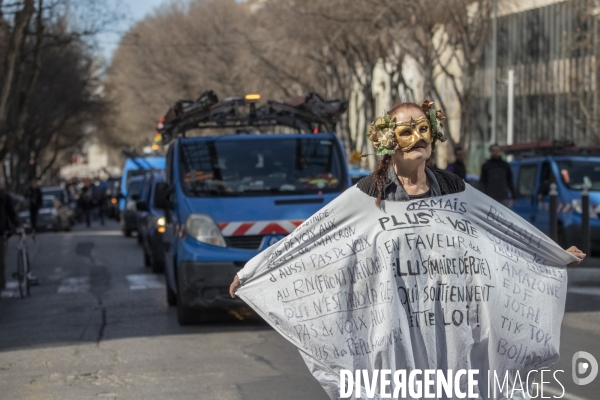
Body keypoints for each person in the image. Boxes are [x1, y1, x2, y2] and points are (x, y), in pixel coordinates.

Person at [229, 101, 586, 295]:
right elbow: (311, 236)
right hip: (391, 319)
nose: (417, 137)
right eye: (405, 131)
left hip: (449, 316)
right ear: (388, 142)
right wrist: (254, 271)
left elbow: (504, 226)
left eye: (423, 129)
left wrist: (553, 254)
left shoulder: (454, 188)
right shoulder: (369, 192)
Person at [0, 178, 20, 292]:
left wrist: (16, 225)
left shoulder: (4, 196)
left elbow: (11, 212)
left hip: (1, 231)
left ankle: (1, 284)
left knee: (1, 261)